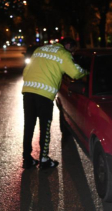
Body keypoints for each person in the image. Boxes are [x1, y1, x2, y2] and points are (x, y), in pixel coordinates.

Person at [21, 37, 88, 170]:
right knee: (45, 128)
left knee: (29, 125)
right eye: (73, 50)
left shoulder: (40, 49)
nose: (72, 54)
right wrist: (86, 72)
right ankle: (44, 160)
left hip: (28, 92)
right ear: (68, 45)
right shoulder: (63, 53)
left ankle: (27, 159)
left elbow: (26, 71)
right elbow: (75, 73)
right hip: (44, 94)